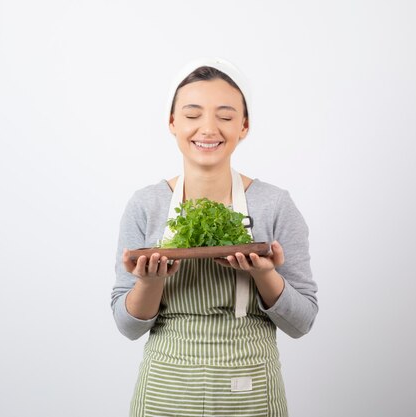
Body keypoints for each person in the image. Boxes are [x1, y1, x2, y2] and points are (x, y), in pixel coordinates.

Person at [111, 57, 318, 417]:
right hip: (167, 391)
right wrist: (148, 282)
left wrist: (264, 274)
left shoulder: (275, 204)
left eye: (224, 117)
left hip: (250, 389)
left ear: (244, 126)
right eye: (192, 116)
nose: (208, 129)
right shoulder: (146, 205)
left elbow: (302, 323)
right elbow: (127, 327)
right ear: (172, 123)